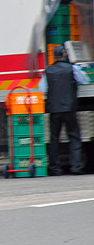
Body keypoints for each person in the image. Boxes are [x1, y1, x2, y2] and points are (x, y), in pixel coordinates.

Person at [39, 45, 89, 175]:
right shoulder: (71, 69)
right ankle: (76, 167)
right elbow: (85, 80)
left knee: (54, 138)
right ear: (64, 55)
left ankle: (55, 168)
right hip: (69, 108)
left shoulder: (48, 71)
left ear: (54, 56)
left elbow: (41, 89)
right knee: (74, 136)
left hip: (54, 109)